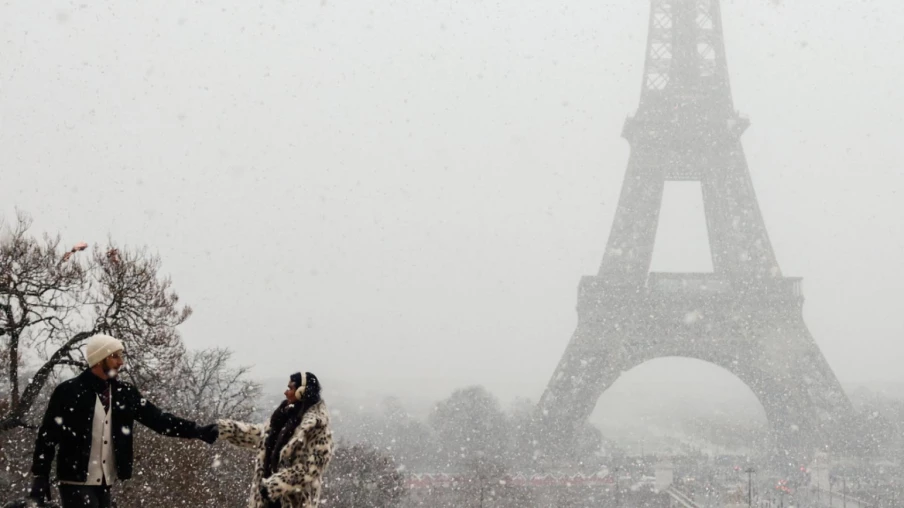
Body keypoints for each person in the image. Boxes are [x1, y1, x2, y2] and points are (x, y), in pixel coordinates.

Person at [27, 334, 219, 508]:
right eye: (115, 356)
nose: (121, 362)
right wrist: (40, 476)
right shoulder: (68, 391)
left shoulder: (124, 393)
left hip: (106, 483)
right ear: (99, 359)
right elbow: (47, 437)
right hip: (75, 483)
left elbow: (159, 420)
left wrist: (196, 431)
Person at [219, 371, 333, 508]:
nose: (286, 392)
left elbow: (312, 467)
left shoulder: (316, 425)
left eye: (290, 388)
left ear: (301, 392)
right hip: (266, 501)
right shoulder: (284, 416)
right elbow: (261, 436)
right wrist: (223, 429)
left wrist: (275, 485)